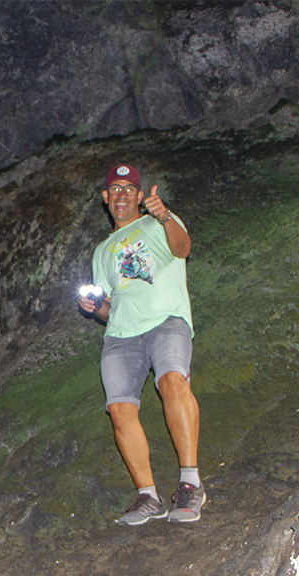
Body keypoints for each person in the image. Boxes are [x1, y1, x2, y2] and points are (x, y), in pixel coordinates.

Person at [78, 163, 205, 525]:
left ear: (138, 195)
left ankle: (190, 482)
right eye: (114, 189)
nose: (121, 195)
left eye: (128, 189)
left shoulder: (158, 222)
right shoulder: (102, 251)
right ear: (105, 198)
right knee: (119, 410)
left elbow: (183, 249)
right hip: (121, 335)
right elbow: (110, 306)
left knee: (172, 382)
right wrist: (94, 307)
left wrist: (164, 217)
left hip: (166, 320)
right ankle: (148, 495)